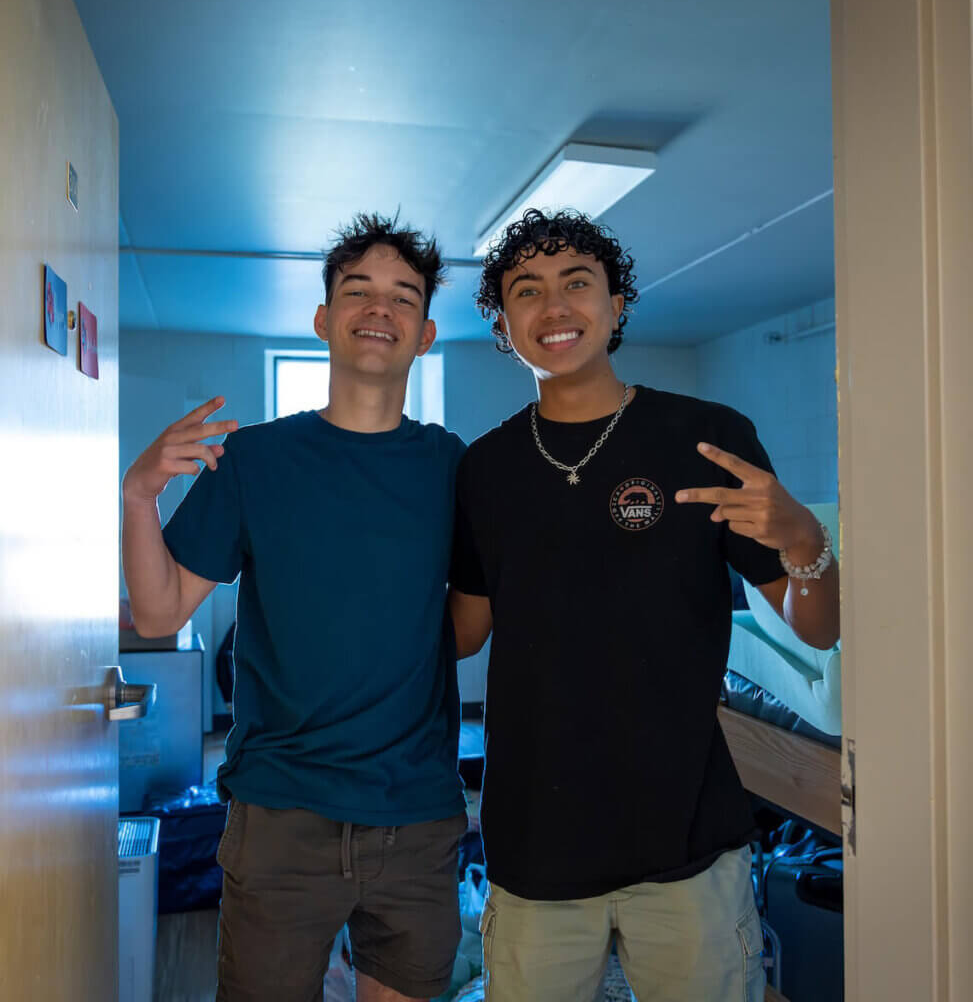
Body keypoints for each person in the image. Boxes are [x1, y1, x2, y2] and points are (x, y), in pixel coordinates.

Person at [448, 208, 840, 1002]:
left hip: (686, 840)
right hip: (535, 845)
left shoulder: (703, 436)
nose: (555, 308)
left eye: (577, 283)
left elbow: (818, 625)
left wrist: (803, 539)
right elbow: (461, 635)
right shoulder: (484, 469)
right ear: (500, 321)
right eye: (527, 290)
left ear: (617, 302)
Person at [122, 214, 468, 1002]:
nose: (379, 308)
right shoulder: (256, 460)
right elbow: (157, 613)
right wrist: (139, 494)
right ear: (322, 319)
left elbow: (471, 624)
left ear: (424, 333)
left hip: (415, 814)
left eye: (402, 296)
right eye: (358, 290)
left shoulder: (451, 466)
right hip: (281, 816)